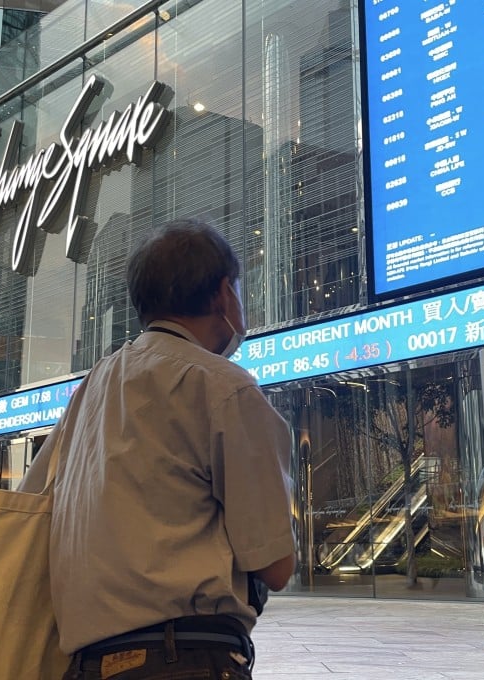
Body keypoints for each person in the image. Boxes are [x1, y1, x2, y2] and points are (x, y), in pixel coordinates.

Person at [19, 219, 295, 680]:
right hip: (185, 657)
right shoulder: (224, 387)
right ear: (223, 293)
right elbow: (275, 566)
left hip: (86, 664)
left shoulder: (92, 387)